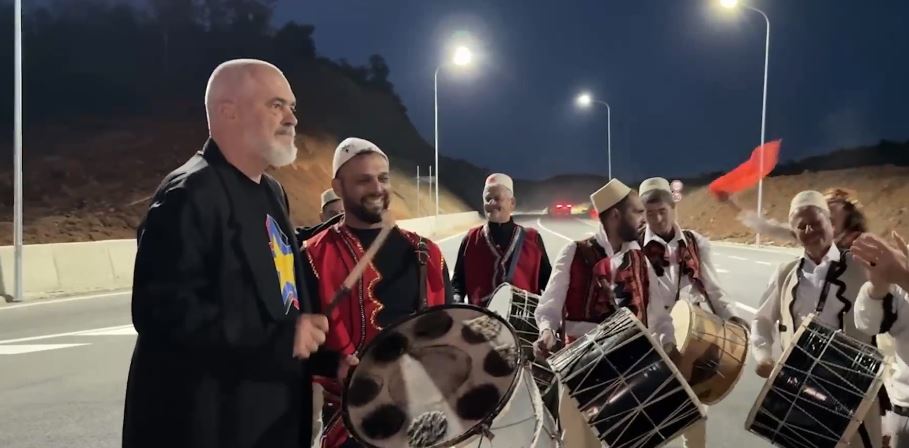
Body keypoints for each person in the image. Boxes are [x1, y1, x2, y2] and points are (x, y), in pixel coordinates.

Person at [123, 59, 332, 448]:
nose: (292, 119)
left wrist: (327, 360)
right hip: (210, 426)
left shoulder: (272, 192)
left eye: (291, 107)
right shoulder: (189, 194)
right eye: (276, 105)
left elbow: (281, 306)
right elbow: (164, 315)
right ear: (228, 112)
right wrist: (281, 339)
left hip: (272, 422)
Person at [302, 137, 454, 448]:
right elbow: (298, 344)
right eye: (363, 180)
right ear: (338, 186)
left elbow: (449, 331)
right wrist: (336, 366)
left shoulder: (427, 254)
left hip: (424, 421)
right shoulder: (313, 257)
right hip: (349, 425)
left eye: (383, 178)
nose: (377, 188)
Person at [750, 190, 883, 448]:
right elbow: (762, 320)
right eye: (801, 226)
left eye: (816, 222)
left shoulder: (863, 266)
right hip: (800, 393)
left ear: (831, 224)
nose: (809, 230)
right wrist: (763, 354)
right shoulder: (785, 273)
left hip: (853, 391)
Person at [532, 179, 646, 448]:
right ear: (616, 215)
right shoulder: (575, 252)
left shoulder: (639, 258)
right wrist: (546, 331)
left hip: (626, 367)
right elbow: (549, 306)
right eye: (637, 212)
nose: (643, 219)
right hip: (579, 366)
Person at [637, 177, 744, 448]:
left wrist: (732, 318)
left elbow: (713, 288)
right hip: (651, 341)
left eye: (662, 211)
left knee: (695, 413)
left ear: (673, 208)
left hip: (695, 337)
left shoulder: (695, 243)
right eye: (650, 213)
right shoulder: (633, 247)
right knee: (649, 417)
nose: (657, 218)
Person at [451, 173, 552, 305]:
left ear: (512, 203)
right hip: (480, 317)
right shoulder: (471, 239)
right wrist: (456, 300)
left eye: (497, 198)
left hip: (521, 317)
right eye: (488, 199)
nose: (491, 203)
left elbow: (550, 285)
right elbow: (457, 285)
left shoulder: (532, 239)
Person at [852, 231, 909, 447]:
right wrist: (877, 288)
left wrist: (904, 278)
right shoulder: (902, 259)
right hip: (903, 414)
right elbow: (868, 325)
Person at [719, 187, 868, 250]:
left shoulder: (862, 254)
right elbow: (765, 227)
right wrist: (730, 202)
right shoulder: (806, 234)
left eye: (830, 220)